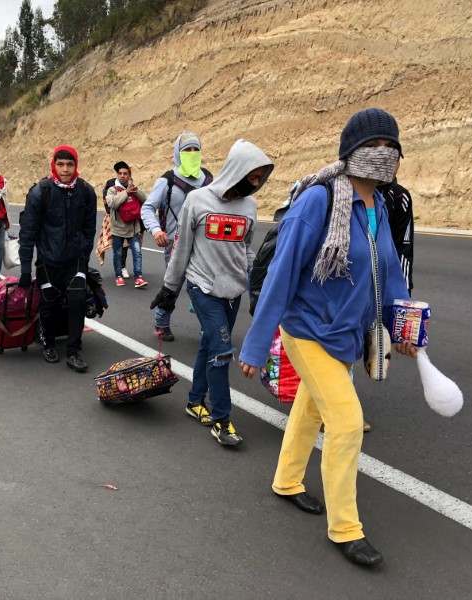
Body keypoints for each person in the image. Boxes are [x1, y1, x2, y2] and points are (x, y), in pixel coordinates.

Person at [238, 108, 418, 566]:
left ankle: (286, 480)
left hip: (345, 334)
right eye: (374, 146)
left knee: (310, 408)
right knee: (346, 422)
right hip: (307, 329)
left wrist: (404, 326)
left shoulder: (377, 207)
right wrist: (257, 347)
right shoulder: (319, 201)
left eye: (390, 147)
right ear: (351, 153)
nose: (384, 155)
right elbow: (281, 275)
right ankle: (345, 529)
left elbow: (390, 278)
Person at [151, 139, 273, 445]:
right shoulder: (198, 200)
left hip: (233, 290)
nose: (255, 184)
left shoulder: (250, 206)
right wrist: (169, 288)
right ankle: (222, 420)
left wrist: (259, 284)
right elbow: (182, 250)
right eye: (252, 176)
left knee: (209, 344)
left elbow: (246, 250)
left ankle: (194, 402)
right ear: (237, 170)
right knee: (221, 351)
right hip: (202, 285)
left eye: (260, 178)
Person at [18, 145, 97, 373]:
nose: (65, 169)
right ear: (54, 165)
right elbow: (28, 233)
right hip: (48, 260)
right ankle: (49, 344)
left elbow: (89, 227)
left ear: (76, 166)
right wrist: (25, 269)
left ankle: (73, 351)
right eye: (60, 164)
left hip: (75, 260)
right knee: (49, 303)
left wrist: (84, 255)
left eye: (70, 164)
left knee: (78, 302)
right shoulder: (40, 192)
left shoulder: (86, 191)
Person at [141, 131, 212, 341]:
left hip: (203, 245)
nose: (191, 153)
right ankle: (161, 322)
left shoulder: (207, 179)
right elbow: (147, 208)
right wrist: (156, 230)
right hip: (175, 244)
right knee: (173, 286)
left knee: (204, 287)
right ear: (178, 153)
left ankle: (207, 326)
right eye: (187, 150)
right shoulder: (167, 181)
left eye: (195, 149)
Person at [106, 161, 148, 288]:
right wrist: (126, 193)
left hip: (133, 228)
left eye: (125, 173)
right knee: (118, 253)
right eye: (120, 173)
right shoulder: (112, 190)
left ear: (129, 175)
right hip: (118, 228)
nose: (122, 176)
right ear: (117, 175)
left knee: (137, 252)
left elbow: (146, 200)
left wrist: (135, 191)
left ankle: (138, 278)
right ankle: (118, 276)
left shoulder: (134, 188)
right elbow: (112, 203)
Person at [377, 162, 414, 293]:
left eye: (395, 160)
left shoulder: (400, 196)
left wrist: (404, 291)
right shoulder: (357, 192)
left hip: (386, 278)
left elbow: (404, 246)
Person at [100, 174, 128, 277]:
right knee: (117, 244)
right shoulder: (110, 185)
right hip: (112, 219)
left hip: (126, 220)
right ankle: (119, 268)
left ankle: (122, 266)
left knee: (125, 245)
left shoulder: (128, 186)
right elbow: (107, 204)